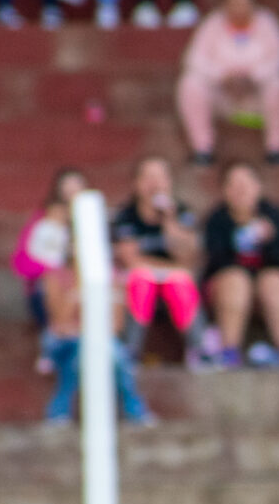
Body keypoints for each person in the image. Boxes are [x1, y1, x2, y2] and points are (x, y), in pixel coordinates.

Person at [42, 225, 152, 426]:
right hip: (61, 342)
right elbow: (59, 322)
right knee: (102, 351)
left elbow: (116, 325)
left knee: (87, 354)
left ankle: (58, 413)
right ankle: (135, 411)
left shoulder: (113, 278)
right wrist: (79, 289)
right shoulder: (56, 276)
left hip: (93, 340)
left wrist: (85, 332)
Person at [178, 0, 279, 166]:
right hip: (223, 96)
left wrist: (252, 76)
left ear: (254, 1)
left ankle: (276, 149)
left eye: (243, 0)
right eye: (233, 0)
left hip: (256, 96)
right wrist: (223, 75)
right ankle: (202, 149)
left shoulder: (267, 22)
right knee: (190, 83)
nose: (238, 6)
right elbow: (194, 60)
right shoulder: (212, 23)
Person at [201, 160, 279, 368]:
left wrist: (269, 239)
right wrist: (241, 239)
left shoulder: (272, 214)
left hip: (263, 281)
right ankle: (229, 351)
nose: (241, 190)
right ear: (225, 191)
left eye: (246, 184)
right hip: (226, 284)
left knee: (274, 279)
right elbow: (218, 261)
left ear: (258, 187)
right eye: (234, 185)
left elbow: (278, 260)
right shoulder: (217, 219)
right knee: (236, 279)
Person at [110, 153, 203, 362]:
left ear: (169, 182)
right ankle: (131, 350)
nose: (154, 184)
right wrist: (171, 268)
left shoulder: (182, 213)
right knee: (142, 280)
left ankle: (199, 351)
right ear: (136, 184)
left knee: (180, 283)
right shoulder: (126, 216)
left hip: (174, 283)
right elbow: (130, 260)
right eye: (148, 177)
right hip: (138, 281)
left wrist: (169, 222)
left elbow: (188, 257)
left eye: (160, 177)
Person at [12, 166, 88, 374]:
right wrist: (54, 269)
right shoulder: (44, 222)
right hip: (50, 286)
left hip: (80, 285)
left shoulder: (90, 220)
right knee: (53, 290)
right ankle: (54, 345)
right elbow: (22, 262)